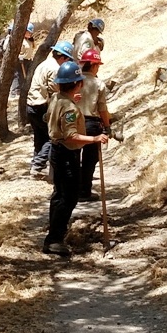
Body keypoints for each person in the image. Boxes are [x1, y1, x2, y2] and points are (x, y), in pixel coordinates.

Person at [43, 60, 108, 256]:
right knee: (68, 198)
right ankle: (54, 239)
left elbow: (47, 118)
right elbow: (71, 135)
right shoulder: (69, 108)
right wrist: (94, 138)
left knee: (58, 195)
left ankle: (53, 235)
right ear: (77, 83)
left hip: (56, 151)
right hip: (66, 154)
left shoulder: (56, 99)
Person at [27, 40, 74, 178]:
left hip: (31, 104)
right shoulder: (55, 69)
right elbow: (55, 92)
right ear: (63, 57)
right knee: (52, 137)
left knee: (39, 138)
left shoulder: (45, 63)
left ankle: (36, 167)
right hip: (41, 106)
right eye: (68, 59)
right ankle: (38, 164)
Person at [76, 49, 111, 202]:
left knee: (73, 157)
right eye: (97, 65)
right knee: (90, 160)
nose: (98, 68)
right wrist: (107, 126)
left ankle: (72, 190)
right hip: (91, 124)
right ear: (92, 65)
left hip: (74, 122)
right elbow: (102, 109)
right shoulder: (98, 84)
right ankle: (84, 191)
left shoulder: (75, 80)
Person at [11, 23, 35, 97]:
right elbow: (17, 51)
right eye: (29, 32)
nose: (30, 33)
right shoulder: (21, 41)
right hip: (21, 61)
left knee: (26, 76)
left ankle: (23, 91)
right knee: (18, 76)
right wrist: (19, 57)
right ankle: (14, 92)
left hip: (28, 60)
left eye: (31, 32)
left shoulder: (30, 41)